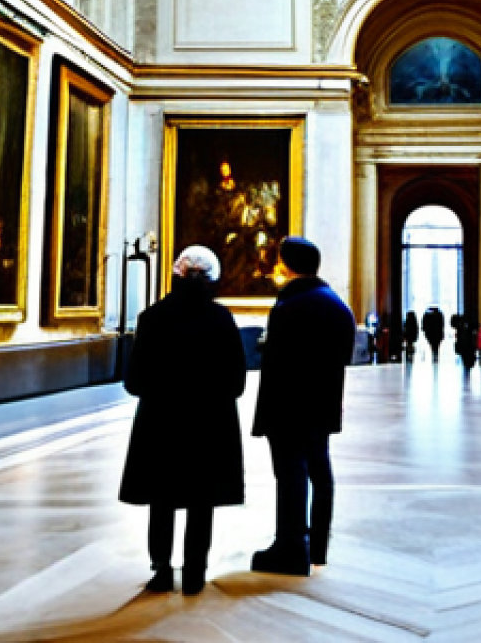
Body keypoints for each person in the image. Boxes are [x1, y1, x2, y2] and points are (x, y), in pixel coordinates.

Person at [119, 245, 247, 596]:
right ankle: (195, 572)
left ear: (176, 274)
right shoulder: (221, 319)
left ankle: (161, 568)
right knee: (200, 500)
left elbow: (133, 382)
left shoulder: (152, 318)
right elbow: (237, 381)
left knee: (162, 500)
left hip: (161, 424)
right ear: (212, 280)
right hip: (209, 425)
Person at [251, 236, 357, 576]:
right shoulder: (337, 305)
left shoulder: (291, 305)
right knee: (320, 473)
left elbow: (278, 365)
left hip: (287, 407)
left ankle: (290, 547)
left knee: (291, 475)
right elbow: (342, 356)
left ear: (287, 264)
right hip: (321, 404)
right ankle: (317, 546)